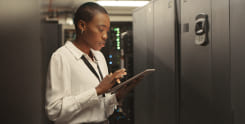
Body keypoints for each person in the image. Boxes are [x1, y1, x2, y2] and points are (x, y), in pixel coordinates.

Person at [45, 2, 139, 124]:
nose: (105, 36)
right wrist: (97, 90)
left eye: (107, 31)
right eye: (100, 30)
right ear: (82, 26)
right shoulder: (61, 57)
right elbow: (54, 112)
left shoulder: (99, 57)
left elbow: (102, 109)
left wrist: (117, 96)